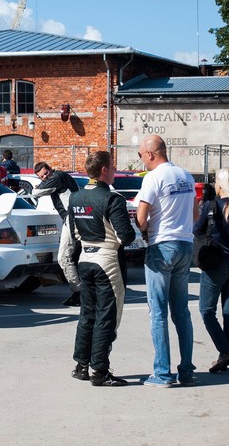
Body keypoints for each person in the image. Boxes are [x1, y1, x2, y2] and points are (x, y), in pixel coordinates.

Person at [135, 135, 198, 388]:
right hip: (185, 244)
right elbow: (194, 213)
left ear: (151, 154)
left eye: (141, 155)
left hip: (161, 246)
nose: (140, 160)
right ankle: (186, 370)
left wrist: (145, 234)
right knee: (181, 310)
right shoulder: (186, 175)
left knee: (158, 312)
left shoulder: (153, 177)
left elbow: (141, 217)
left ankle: (162, 373)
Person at [67, 151, 135, 386]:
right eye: (113, 167)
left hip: (85, 257)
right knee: (107, 316)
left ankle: (81, 365)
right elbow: (126, 236)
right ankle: (100, 370)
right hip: (107, 260)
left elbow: (74, 232)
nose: (115, 171)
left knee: (87, 314)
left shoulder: (75, 198)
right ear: (104, 170)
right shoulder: (112, 199)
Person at [195, 168, 229, 374]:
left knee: (206, 311)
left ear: (221, 184)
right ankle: (227, 353)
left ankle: (224, 352)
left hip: (215, 263)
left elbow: (197, 229)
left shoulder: (210, 206)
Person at [33, 161, 81, 306]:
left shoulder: (56, 177)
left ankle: (79, 292)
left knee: (64, 257)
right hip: (75, 218)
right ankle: (83, 291)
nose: (45, 178)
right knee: (78, 257)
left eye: (46, 174)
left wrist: (40, 186)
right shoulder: (60, 176)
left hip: (71, 219)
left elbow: (36, 192)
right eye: (42, 177)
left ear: (50, 169)